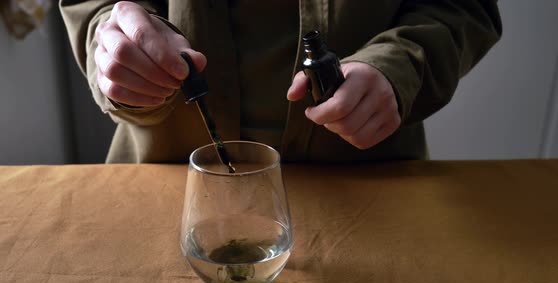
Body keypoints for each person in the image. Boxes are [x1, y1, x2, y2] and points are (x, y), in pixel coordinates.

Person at [60, 1, 502, 163]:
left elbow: (463, 6)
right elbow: (95, 6)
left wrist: (399, 67)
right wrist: (112, 37)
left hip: (369, 177)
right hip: (169, 179)